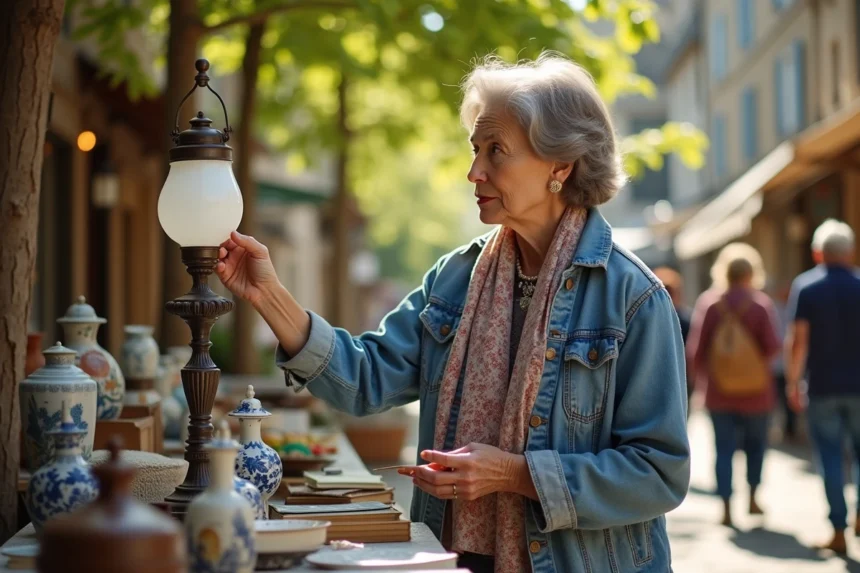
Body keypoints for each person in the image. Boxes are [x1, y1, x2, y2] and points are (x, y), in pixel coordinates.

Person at [216, 52, 690, 573]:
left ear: (561, 164)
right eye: (475, 149)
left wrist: (513, 474)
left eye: (496, 152)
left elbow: (659, 473)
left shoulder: (634, 296)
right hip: (460, 559)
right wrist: (267, 294)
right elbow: (367, 378)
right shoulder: (456, 278)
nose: (474, 171)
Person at [686, 243, 781, 527]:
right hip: (756, 393)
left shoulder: (710, 304)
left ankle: (726, 506)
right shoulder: (761, 305)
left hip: (719, 393)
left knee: (723, 449)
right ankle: (752, 497)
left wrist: (703, 381)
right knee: (756, 446)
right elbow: (773, 348)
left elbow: (695, 351)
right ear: (752, 273)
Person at [785, 219, 860, 554]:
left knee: (830, 457)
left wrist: (792, 382)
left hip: (823, 386)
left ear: (818, 252)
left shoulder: (807, 287)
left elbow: (798, 342)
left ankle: (839, 530)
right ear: (850, 252)